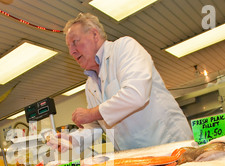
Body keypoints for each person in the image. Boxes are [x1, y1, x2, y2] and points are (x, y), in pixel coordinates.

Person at [48, 13, 193, 153]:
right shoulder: (90, 85)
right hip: (135, 157)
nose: (72, 51)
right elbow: (95, 127)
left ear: (94, 34)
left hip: (169, 145)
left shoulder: (124, 47)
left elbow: (136, 94)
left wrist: (91, 113)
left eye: (75, 42)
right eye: (69, 47)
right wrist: (73, 140)